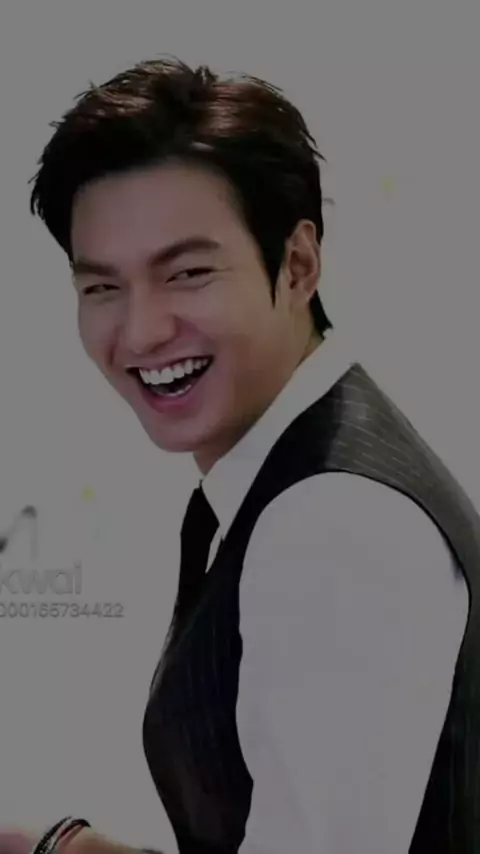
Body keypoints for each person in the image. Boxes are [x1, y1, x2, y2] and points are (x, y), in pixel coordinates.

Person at [2, 55, 479, 854]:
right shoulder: (297, 476)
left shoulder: (332, 522)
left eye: (188, 273)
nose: (141, 332)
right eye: (102, 287)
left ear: (298, 264)